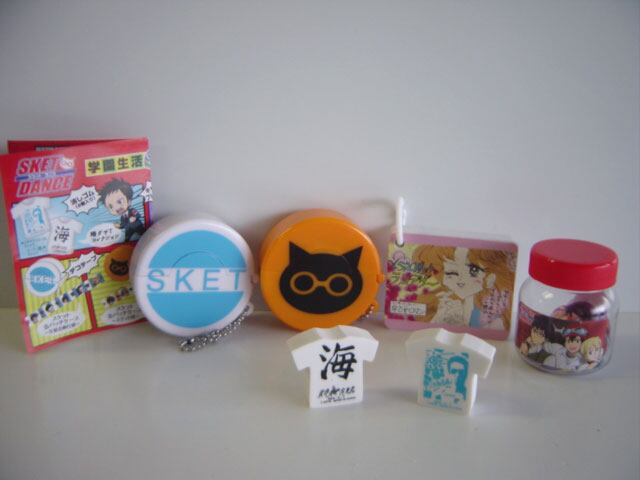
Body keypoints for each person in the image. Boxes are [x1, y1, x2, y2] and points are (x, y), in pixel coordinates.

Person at [411, 246, 515, 330]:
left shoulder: (492, 313)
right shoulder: (446, 302)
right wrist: (439, 317)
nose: (460, 280)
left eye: (473, 271)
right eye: (451, 273)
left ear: (490, 277)